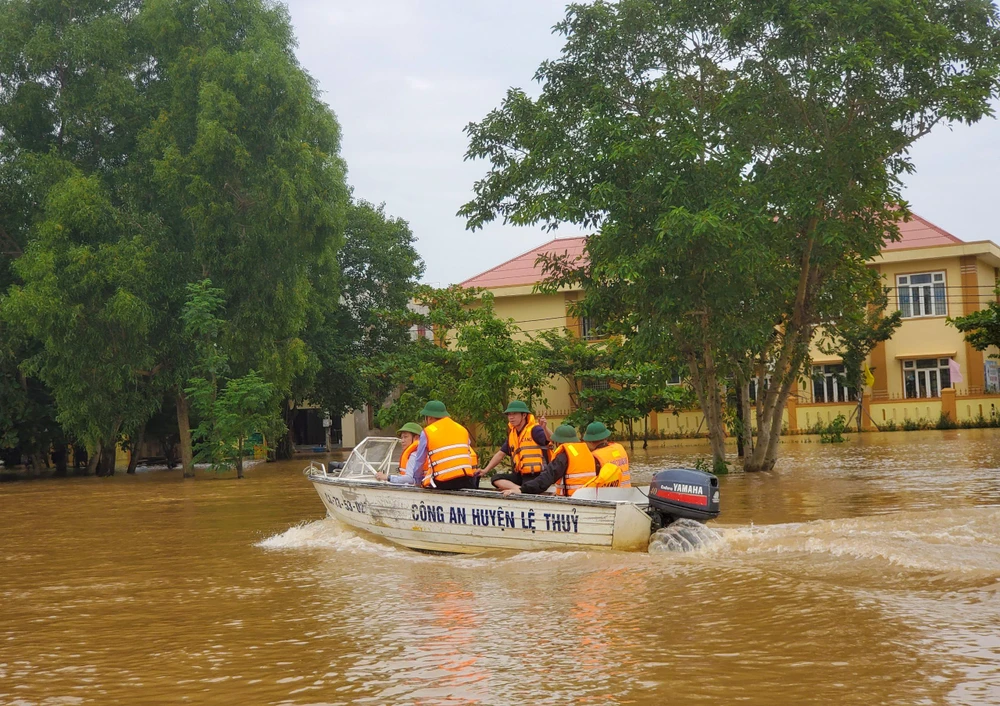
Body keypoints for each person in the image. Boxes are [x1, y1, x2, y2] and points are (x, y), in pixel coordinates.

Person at [375, 401, 478, 490]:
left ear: (429, 417)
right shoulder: (461, 429)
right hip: (467, 479)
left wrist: (418, 482)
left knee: (427, 483)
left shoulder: (428, 432)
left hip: (446, 482)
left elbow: (419, 461)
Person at [501, 425, 599, 497]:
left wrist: (522, 489)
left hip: (572, 500)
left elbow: (545, 479)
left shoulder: (564, 456)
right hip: (589, 496)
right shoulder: (587, 453)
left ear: (558, 441)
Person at [480, 401, 552, 491]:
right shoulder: (512, 435)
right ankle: (520, 489)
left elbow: (551, 440)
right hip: (521, 476)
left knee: (529, 484)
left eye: (514, 414)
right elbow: (500, 454)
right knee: (496, 478)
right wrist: (485, 470)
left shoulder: (535, 430)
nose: (511, 417)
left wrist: (545, 428)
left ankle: (523, 490)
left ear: (524, 415)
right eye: (509, 414)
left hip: (539, 476)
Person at [582, 421, 631, 487]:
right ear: (606, 437)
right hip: (628, 492)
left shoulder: (595, 457)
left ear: (591, 441)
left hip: (610, 495)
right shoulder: (620, 448)